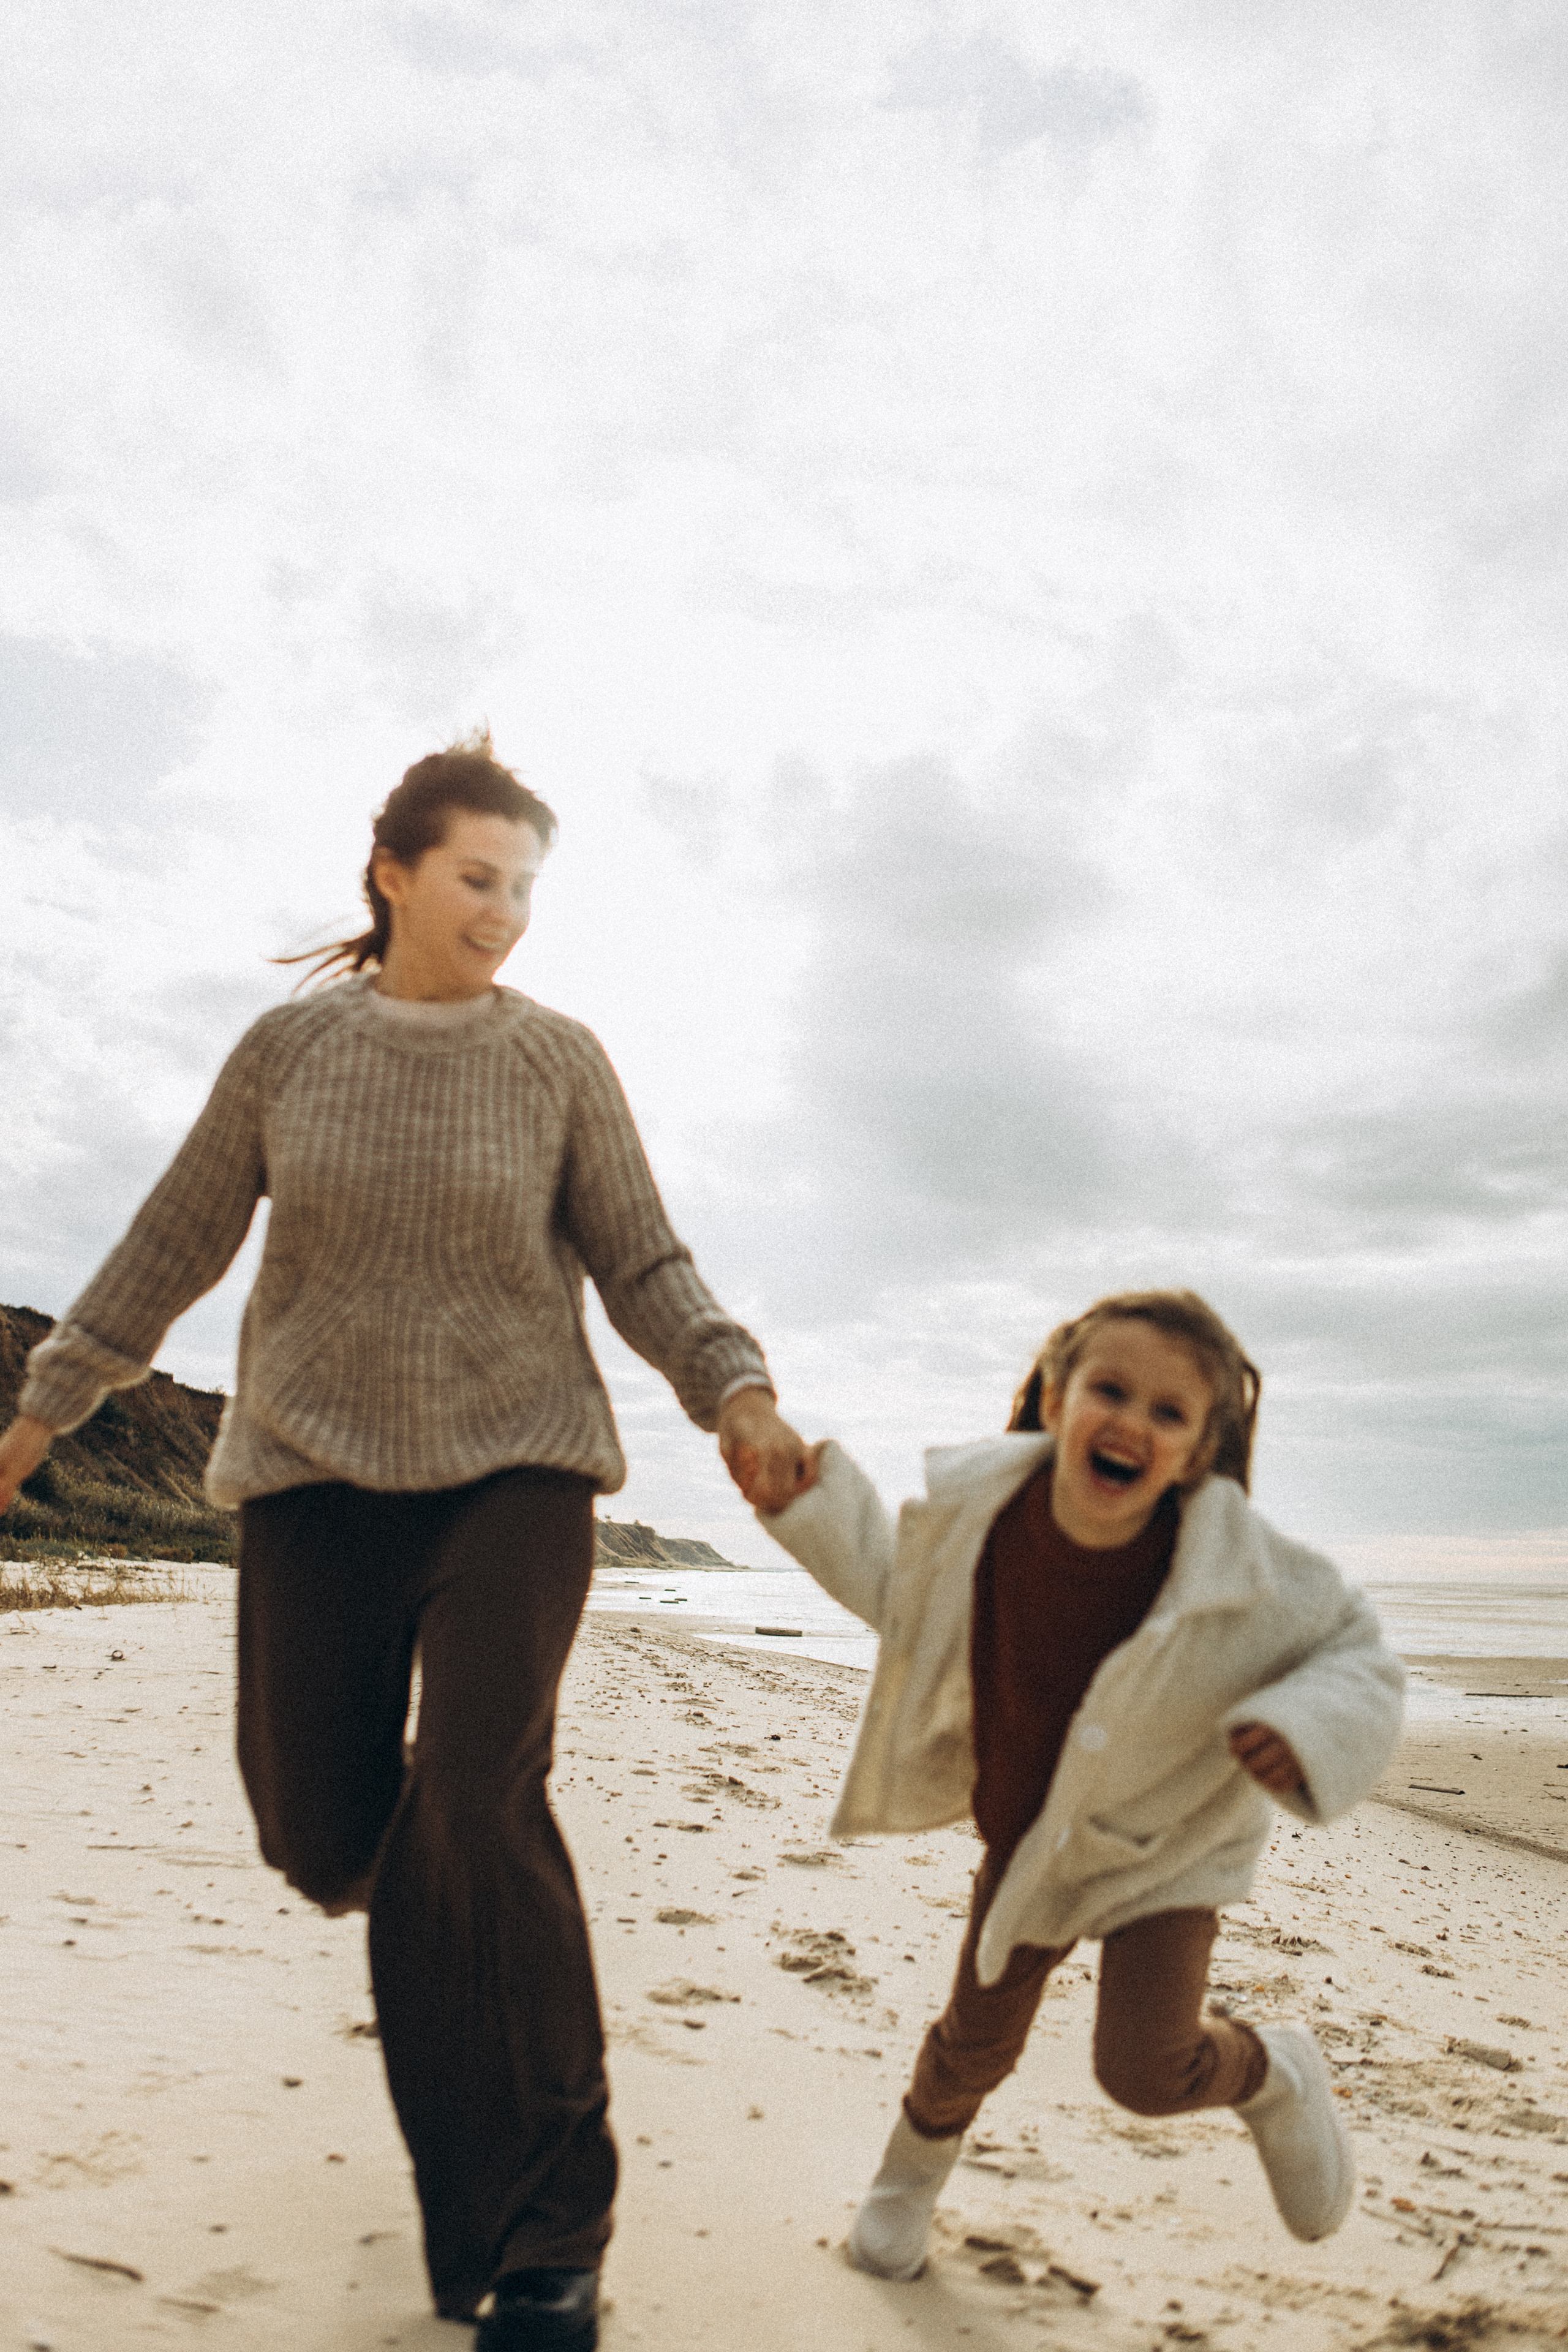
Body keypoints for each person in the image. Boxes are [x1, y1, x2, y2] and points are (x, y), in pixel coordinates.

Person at [0, 732, 807, 2351]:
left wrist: (738, 1392)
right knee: (325, 1835)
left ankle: (550, 2242)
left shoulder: (560, 1060)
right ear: (392, 871)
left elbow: (643, 1257)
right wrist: (42, 1411)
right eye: (477, 878)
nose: (505, 911)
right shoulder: (287, 1056)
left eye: (524, 887)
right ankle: (448, 1928)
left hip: (520, 1477)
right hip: (312, 1483)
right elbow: (173, 1239)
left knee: (482, 1799)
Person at [755, 1288, 1403, 2280]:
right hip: (1035, 1840)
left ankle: (1273, 2072)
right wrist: (807, 1504)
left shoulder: (1240, 1565)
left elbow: (1353, 1649)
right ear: (1056, 1400)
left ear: (1197, 1453)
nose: (1133, 1422)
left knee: (1145, 2073)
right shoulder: (983, 1524)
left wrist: (1306, 1726)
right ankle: (906, 2185)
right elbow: (897, 1589)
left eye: (1169, 1413)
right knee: (973, 2039)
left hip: (1168, 1847)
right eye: (1112, 1390)